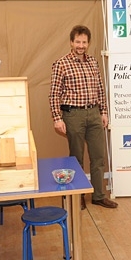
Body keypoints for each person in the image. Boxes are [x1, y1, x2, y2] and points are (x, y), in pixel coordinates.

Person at [49, 25, 117, 209]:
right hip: (73, 115)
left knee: (98, 156)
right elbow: (54, 94)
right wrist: (57, 118)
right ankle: (77, 196)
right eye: (77, 42)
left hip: (94, 114)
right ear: (71, 42)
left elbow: (100, 89)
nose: (81, 45)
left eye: (84, 42)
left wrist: (103, 111)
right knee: (76, 158)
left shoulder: (93, 62)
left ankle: (98, 196)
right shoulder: (61, 64)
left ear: (88, 43)